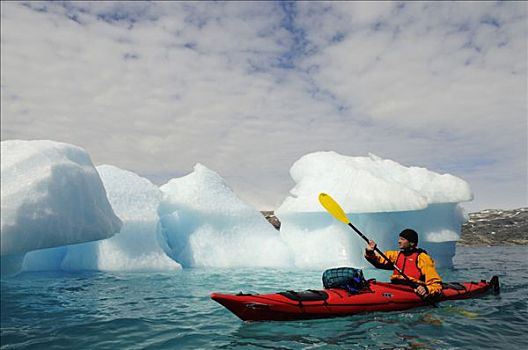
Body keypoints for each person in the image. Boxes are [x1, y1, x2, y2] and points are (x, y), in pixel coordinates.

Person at [364, 229, 442, 297]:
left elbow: (435, 283)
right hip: (397, 287)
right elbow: (378, 261)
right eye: (399, 239)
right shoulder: (396, 255)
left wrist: (426, 289)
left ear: (411, 243)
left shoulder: (422, 258)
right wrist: (370, 252)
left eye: (402, 239)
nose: (399, 241)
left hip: (413, 289)